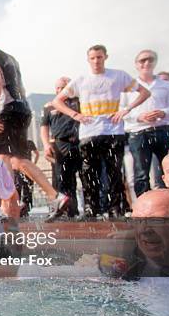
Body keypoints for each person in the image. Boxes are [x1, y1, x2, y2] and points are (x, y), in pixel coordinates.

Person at [0, 34, 70, 220]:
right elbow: (19, 88)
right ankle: (55, 196)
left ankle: (10, 208)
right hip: (22, 110)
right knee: (19, 160)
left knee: (1, 159)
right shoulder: (10, 58)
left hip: (5, 110)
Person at [52, 44, 151, 217]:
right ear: (88, 59)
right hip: (89, 133)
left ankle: (115, 207)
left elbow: (144, 92)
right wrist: (75, 114)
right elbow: (57, 101)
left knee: (114, 171)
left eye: (99, 57)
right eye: (92, 58)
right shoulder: (81, 79)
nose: (96, 61)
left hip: (113, 131)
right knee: (89, 173)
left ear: (105, 57)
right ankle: (92, 208)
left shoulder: (119, 75)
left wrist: (126, 109)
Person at [121, 50, 169, 197]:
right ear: (136, 65)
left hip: (163, 130)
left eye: (150, 60)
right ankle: (143, 206)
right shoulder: (127, 87)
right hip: (139, 133)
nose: (146, 63)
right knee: (141, 173)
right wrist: (139, 117)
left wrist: (163, 112)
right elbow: (121, 111)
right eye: (142, 60)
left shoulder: (165, 85)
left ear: (155, 62)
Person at [41, 77, 82, 217]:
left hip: (79, 143)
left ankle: (81, 210)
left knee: (85, 177)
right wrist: (46, 144)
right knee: (60, 180)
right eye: (57, 88)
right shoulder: (49, 106)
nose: (59, 90)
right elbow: (44, 127)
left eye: (63, 87)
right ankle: (62, 211)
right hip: (60, 144)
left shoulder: (79, 102)